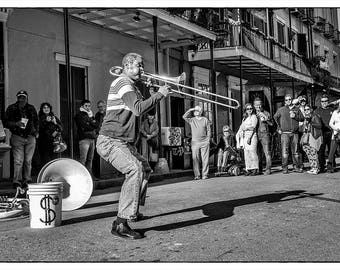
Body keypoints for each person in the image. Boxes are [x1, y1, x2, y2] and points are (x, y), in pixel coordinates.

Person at [96, 52, 170, 240]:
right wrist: (159, 95)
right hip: (110, 140)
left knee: (144, 168)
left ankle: (132, 211)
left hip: (124, 142)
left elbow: (144, 109)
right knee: (135, 169)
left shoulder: (134, 88)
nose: (142, 69)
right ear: (127, 66)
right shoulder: (122, 83)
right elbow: (137, 109)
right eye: (139, 65)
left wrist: (155, 95)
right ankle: (120, 223)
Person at [4, 90, 39, 191]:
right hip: (17, 136)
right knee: (18, 160)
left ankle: (27, 180)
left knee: (28, 160)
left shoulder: (31, 108)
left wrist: (36, 132)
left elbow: (36, 121)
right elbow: (5, 122)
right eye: (20, 97)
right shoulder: (11, 108)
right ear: (17, 98)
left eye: (24, 97)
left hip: (30, 136)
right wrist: (16, 124)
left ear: (26, 98)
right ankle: (17, 181)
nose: (22, 99)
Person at [274, 94, 305, 174]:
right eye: (286, 100)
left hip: (295, 133)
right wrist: (278, 128)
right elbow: (275, 118)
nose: (288, 101)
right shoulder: (281, 109)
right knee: (285, 152)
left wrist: (295, 116)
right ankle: (285, 168)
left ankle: (296, 167)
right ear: (285, 101)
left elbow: (302, 118)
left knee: (295, 152)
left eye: (290, 99)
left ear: (292, 100)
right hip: (285, 134)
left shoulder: (297, 109)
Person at [183, 105, 211, 180]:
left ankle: (205, 174)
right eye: (195, 111)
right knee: (195, 159)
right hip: (195, 142)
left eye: (197, 110)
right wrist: (190, 109)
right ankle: (197, 175)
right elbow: (184, 117)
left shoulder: (205, 119)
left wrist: (208, 140)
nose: (195, 111)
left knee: (205, 159)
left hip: (204, 142)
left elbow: (208, 130)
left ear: (201, 112)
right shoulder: (192, 120)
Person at [74, 99, 98, 173]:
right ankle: (82, 176)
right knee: (83, 159)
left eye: (89, 106)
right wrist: (91, 124)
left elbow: (96, 125)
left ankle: (89, 176)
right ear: (82, 106)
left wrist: (90, 122)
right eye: (86, 106)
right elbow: (84, 126)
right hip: (84, 139)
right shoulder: (79, 115)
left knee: (90, 159)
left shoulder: (91, 114)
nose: (88, 107)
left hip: (92, 139)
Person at [236, 103, 259, 176]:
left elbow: (253, 127)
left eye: (251, 108)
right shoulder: (244, 118)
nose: (249, 110)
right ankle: (248, 169)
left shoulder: (254, 117)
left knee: (252, 152)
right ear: (245, 110)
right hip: (245, 137)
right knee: (247, 153)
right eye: (248, 109)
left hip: (252, 136)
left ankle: (255, 168)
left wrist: (249, 136)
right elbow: (241, 127)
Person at [38, 102, 64, 167]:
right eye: (44, 108)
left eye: (48, 107)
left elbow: (61, 128)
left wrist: (55, 123)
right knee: (45, 160)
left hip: (55, 142)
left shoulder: (54, 117)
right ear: (42, 109)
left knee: (55, 160)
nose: (46, 109)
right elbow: (39, 128)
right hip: (44, 143)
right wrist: (46, 121)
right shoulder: (39, 118)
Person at [300, 105, 323, 174]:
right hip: (307, 137)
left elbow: (319, 125)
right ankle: (312, 167)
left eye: (308, 109)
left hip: (314, 136)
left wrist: (311, 122)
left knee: (313, 152)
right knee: (308, 152)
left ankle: (316, 168)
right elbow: (303, 129)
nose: (306, 111)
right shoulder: (306, 118)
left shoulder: (315, 116)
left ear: (311, 110)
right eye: (305, 110)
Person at [254, 98, 273, 175]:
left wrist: (265, 118)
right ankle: (259, 169)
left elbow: (271, 123)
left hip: (265, 135)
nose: (258, 106)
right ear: (254, 105)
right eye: (257, 105)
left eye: (260, 105)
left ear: (262, 105)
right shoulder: (252, 113)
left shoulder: (266, 113)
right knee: (258, 154)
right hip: (255, 135)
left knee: (267, 153)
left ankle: (268, 169)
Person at [314, 94, 334, 172]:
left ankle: (330, 166)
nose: (324, 103)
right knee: (321, 151)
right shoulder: (317, 111)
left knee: (331, 151)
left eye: (326, 101)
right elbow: (313, 121)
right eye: (322, 101)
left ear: (328, 101)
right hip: (321, 133)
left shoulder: (332, 110)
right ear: (320, 102)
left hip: (331, 132)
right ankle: (321, 167)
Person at [326, 102, 340, 173]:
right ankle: (329, 167)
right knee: (332, 151)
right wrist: (336, 128)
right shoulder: (335, 113)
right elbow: (330, 123)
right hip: (336, 134)